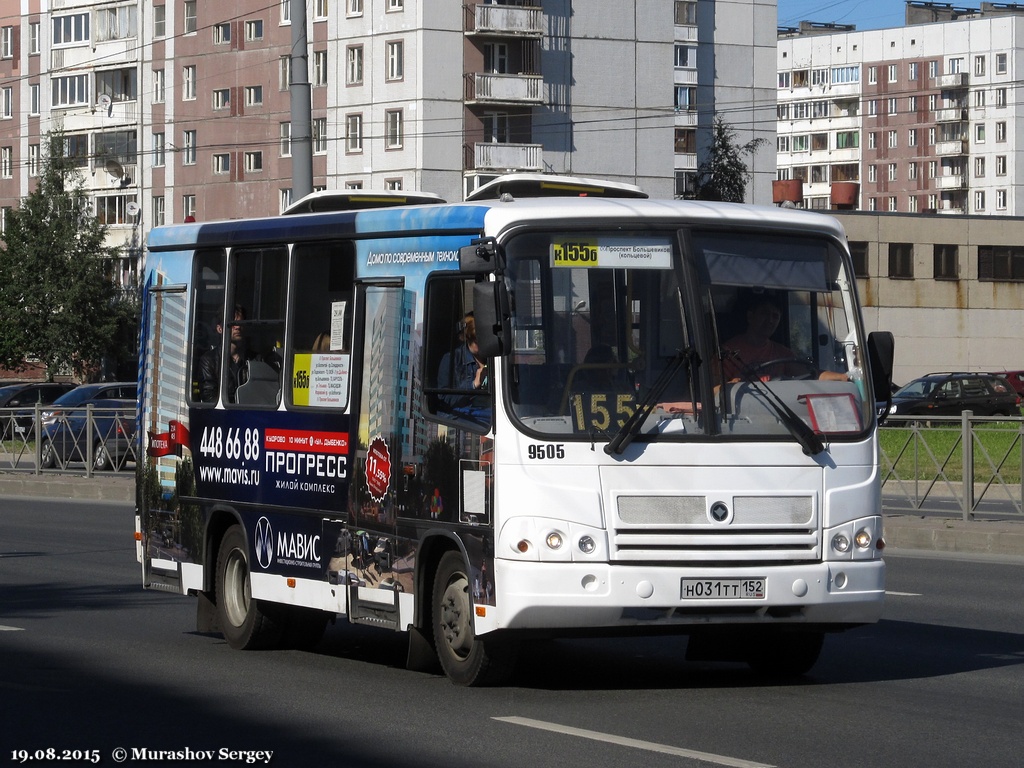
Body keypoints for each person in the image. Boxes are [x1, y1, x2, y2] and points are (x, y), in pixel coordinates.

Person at [720, 296, 846, 382]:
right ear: (750, 316)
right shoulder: (727, 352)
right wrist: (732, 387)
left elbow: (812, 375)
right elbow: (712, 391)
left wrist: (843, 377)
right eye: (764, 313)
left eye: (775, 316)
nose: (770, 321)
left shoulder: (782, 354)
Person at [437, 313, 489, 421]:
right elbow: (444, 399)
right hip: (463, 417)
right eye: (476, 340)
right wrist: (473, 385)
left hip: (489, 413)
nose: (480, 343)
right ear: (468, 338)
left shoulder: (493, 358)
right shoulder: (452, 359)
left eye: (483, 339)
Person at [198, 304, 248, 402]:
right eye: (233, 323)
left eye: (241, 323)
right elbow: (209, 397)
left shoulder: (254, 359)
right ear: (219, 329)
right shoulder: (209, 360)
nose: (238, 327)